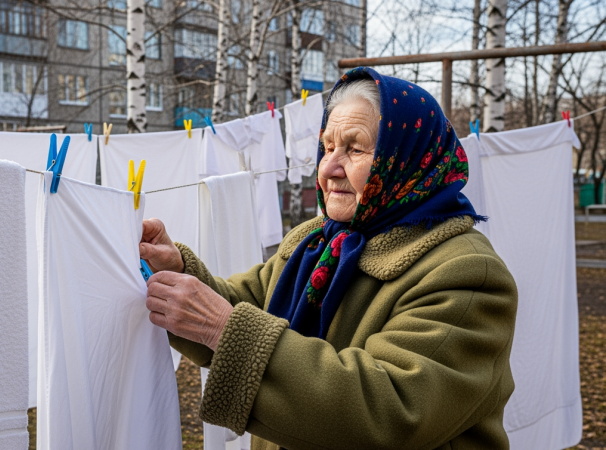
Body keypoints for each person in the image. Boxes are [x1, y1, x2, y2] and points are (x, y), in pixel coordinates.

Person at [139, 67, 518, 450]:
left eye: (354, 149)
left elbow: (389, 412)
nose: (330, 168)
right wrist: (177, 271)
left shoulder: (467, 273)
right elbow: (247, 302)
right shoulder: (316, 241)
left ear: (406, 158)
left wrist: (222, 329)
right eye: (327, 147)